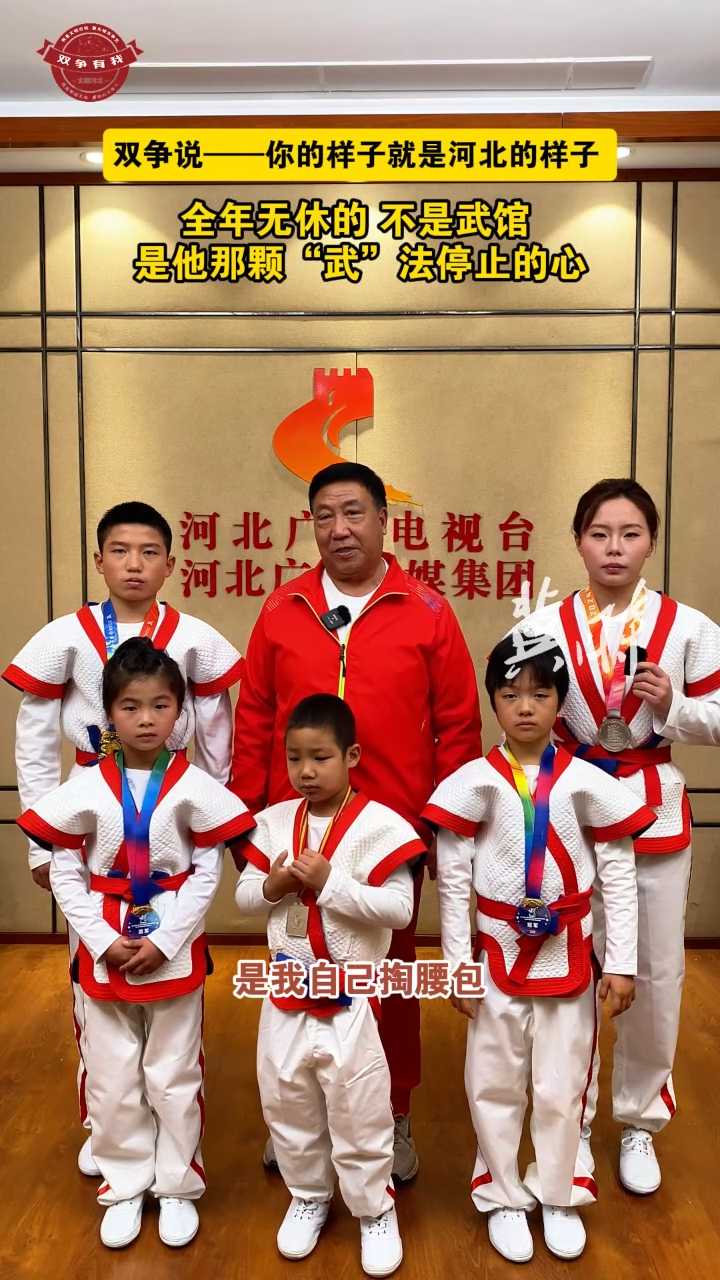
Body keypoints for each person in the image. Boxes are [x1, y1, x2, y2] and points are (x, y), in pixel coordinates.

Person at [231, 461, 482, 1177]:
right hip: (295, 827)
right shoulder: (283, 609)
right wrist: (248, 820)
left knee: (388, 982)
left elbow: (458, 726)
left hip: (388, 833)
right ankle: (299, 1119)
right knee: (296, 971)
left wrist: (444, 827)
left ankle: (391, 1112)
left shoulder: (427, 611)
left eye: (354, 513)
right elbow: (255, 716)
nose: (339, 529)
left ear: (382, 520)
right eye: (324, 516)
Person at [3, 500, 243, 1176]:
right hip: (89, 805)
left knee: (174, 982)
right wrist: (41, 842)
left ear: (170, 564)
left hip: (171, 803)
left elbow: (217, 732)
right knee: (94, 979)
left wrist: (210, 815)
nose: (134, 564)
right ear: (99, 560)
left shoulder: (193, 635)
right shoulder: (66, 636)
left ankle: (174, 1139)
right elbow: (34, 742)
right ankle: (108, 1123)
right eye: (120, 551)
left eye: (148, 552)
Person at [509, 477, 720, 1194]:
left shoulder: (689, 627)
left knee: (654, 974)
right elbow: (517, 712)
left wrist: (677, 707)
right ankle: (570, 1122)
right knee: (569, 972)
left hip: (653, 807)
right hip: (569, 811)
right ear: (578, 541)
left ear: (650, 542)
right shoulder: (544, 627)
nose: (614, 548)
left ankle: (639, 1121)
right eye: (599, 533)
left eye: (630, 534)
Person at [422, 636, 654, 1262]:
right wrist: (457, 967)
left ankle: (559, 1192)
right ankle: (501, 1194)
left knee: (563, 1083)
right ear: (493, 701)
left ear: (560, 702)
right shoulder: (472, 783)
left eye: (540, 694)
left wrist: (621, 963)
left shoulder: (587, 783)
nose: (525, 707)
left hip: (570, 953)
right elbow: (452, 883)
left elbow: (618, 876)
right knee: (492, 1081)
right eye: (510, 694)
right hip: (496, 956)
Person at [16, 638, 254, 1249]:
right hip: (104, 938)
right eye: (130, 707)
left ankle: (176, 1186)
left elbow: (207, 872)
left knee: (174, 1071)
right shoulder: (84, 787)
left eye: (160, 705)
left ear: (180, 711)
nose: (146, 719)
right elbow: (66, 870)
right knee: (112, 1074)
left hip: (171, 937)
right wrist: (98, 940)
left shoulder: (196, 787)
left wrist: (169, 939)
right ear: (107, 715)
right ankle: (123, 1185)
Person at [236, 694, 425, 1277]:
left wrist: (331, 883)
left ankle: (374, 1209)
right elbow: (244, 898)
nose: (306, 771)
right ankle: (308, 1195)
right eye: (294, 758)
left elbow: (400, 909)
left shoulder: (381, 825)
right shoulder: (273, 822)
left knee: (358, 1105)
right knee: (286, 1097)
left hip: (350, 995)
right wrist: (272, 886)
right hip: (284, 990)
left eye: (320, 757)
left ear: (352, 756)